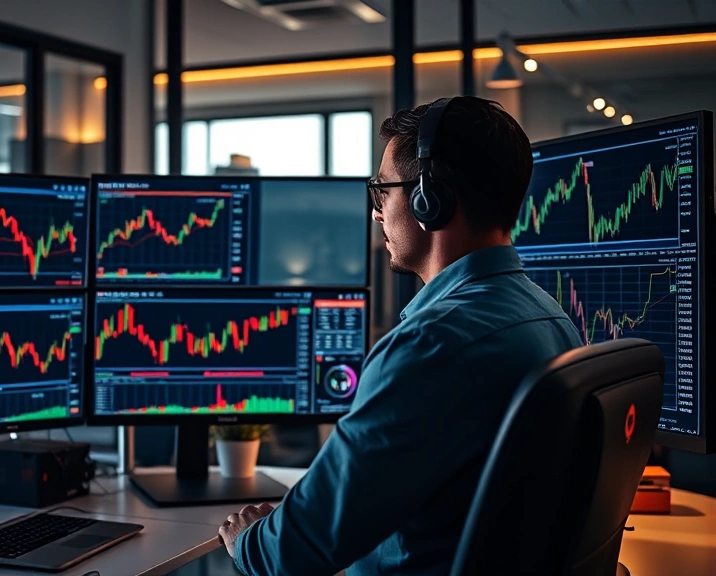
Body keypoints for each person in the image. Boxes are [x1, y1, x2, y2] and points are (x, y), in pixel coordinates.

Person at [218, 96, 583, 575]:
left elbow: (295, 551)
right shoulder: (551, 317)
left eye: (381, 192)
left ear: (428, 200)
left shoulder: (431, 346)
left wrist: (249, 542)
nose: (376, 214)